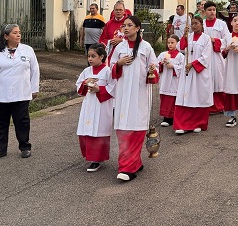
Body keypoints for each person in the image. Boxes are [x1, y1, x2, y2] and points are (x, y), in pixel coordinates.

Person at [109, 15, 159, 182]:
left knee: (136, 127)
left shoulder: (146, 47)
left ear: (138, 28)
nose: (126, 28)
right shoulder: (120, 47)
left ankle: (127, 167)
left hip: (139, 93)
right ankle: (133, 162)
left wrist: (152, 69)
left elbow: (155, 66)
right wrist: (119, 64)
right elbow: (110, 67)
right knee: (123, 128)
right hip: (123, 93)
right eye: (124, 25)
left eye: (130, 25)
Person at [0, 24, 40, 161]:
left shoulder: (28, 50)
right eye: (15, 33)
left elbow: (35, 70)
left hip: (21, 93)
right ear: (6, 36)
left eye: (19, 32)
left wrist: (34, 88)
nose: (18, 35)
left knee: (22, 121)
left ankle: (25, 147)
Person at [75, 44, 114, 172]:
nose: (90, 59)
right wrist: (85, 83)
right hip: (88, 104)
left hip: (101, 105)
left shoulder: (108, 71)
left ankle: (97, 159)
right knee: (86, 129)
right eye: (88, 56)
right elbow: (79, 85)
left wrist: (99, 89)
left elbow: (113, 87)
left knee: (98, 130)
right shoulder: (87, 71)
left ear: (102, 56)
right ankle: (91, 157)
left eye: (93, 56)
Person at [174, 17, 213, 134]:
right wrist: (184, 35)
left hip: (199, 72)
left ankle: (198, 123)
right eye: (192, 24)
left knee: (198, 96)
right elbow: (180, 48)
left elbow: (206, 57)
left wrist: (193, 64)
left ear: (202, 25)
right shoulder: (189, 36)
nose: (194, 26)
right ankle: (183, 124)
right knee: (185, 96)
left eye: (196, 23)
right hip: (187, 72)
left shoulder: (206, 39)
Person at [203, 1, 230, 113]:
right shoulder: (201, 24)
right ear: (204, 12)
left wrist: (215, 41)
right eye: (209, 10)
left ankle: (219, 105)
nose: (212, 12)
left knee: (218, 78)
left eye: (213, 10)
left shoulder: (221, 24)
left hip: (217, 56)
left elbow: (227, 39)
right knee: (205, 78)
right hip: (204, 56)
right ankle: (206, 104)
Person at [158, 35, 185, 127]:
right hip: (165, 80)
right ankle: (166, 117)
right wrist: (161, 64)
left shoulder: (180, 56)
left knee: (174, 98)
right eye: (168, 42)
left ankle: (174, 117)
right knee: (165, 98)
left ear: (177, 43)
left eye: (172, 42)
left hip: (174, 81)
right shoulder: (162, 54)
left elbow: (183, 68)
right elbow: (156, 66)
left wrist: (173, 66)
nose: (170, 44)